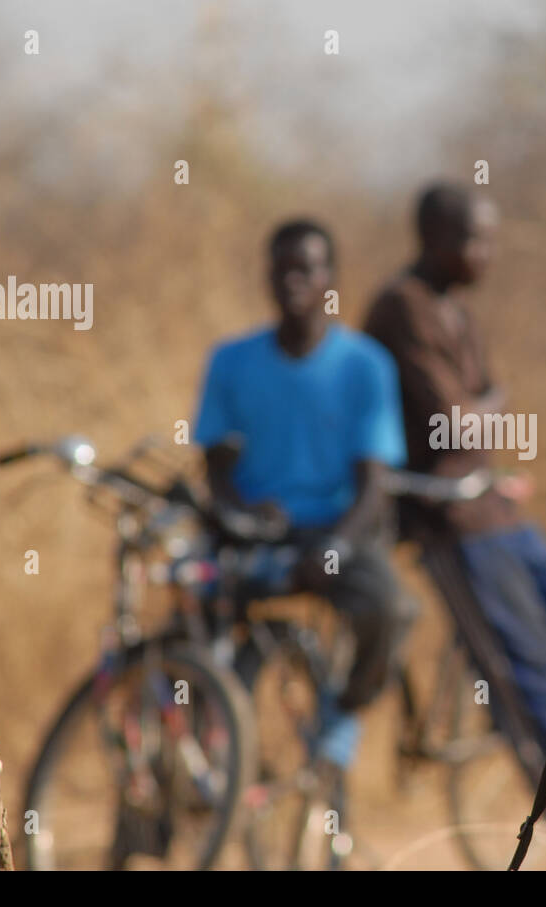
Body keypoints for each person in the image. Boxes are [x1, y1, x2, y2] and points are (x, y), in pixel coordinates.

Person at [364, 183, 546, 823]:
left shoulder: (457, 312)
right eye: (475, 240)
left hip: (500, 511)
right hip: (452, 526)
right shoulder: (403, 307)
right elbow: (463, 421)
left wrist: (485, 417)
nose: (488, 254)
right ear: (434, 240)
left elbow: (480, 415)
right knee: (528, 679)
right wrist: (487, 410)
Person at [192, 218, 412, 774]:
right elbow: (215, 470)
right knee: (187, 620)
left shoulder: (366, 366)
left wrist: (333, 547)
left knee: (391, 608)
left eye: (307, 268)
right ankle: (186, 772)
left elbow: (374, 486)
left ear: (329, 278)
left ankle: (342, 716)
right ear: (267, 276)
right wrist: (239, 515)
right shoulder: (231, 361)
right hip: (255, 532)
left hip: (332, 531)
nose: (294, 280)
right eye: (282, 268)